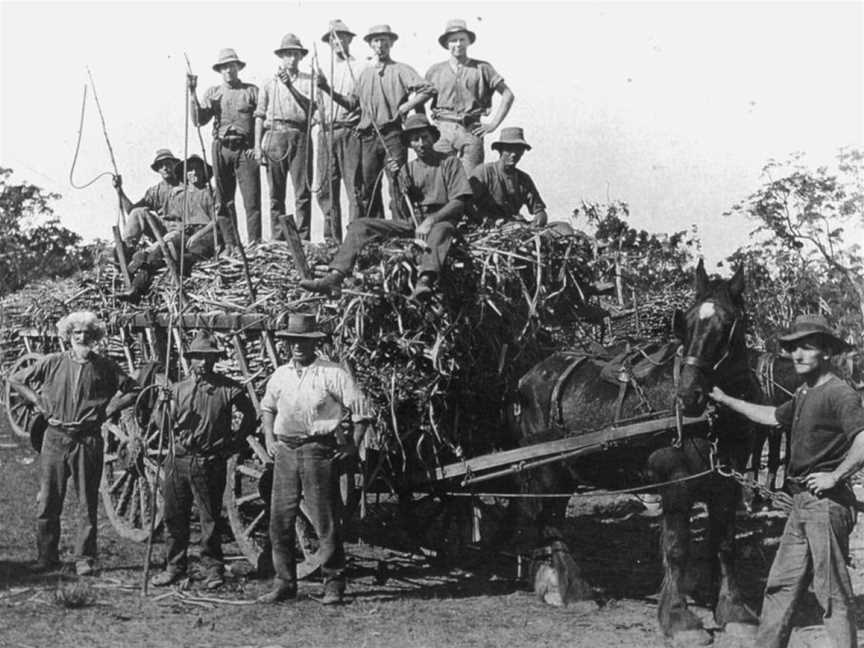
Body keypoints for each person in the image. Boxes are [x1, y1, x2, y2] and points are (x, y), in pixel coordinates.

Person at [709, 314, 864, 648]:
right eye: (793, 348)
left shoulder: (840, 393)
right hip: (801, 505)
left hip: (827, 505)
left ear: (826, 352)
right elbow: (770, 416)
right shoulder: (805, 393)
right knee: (780, 586)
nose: (797, 355)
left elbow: (863, 440)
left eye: (806, 348)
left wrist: (835, 475)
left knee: (832, 593)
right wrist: (725, 400)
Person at [8, 311, 139, 576]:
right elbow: (15, 380)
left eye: (87, 334)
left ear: (95, 338)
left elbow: (133, 390)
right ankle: (47, 557)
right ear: (68, 336)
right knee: (48, 500)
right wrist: (37, 401)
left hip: (88, 440)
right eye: (76, 333)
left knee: (87, 501)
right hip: (55, 437)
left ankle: (84, 558)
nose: (81, 338)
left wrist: (111, 407)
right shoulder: (53, 362)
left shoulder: (105, 366)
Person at [257, 313, 372, 605]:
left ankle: (333, 583)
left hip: (317, 451)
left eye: (304, 342)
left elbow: (362, 410)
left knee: (325, 519)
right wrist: (269, 438)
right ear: (286, 344)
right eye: (293, 341)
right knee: (280, 519)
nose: (297, 347)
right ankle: (284, 583)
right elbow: (267, 407)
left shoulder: (332, 373)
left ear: (315, 344)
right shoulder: (280, 375)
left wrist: (352, 446)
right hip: (285, 452)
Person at [300, 114, 472, 301]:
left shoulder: (449, 163)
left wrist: (431, 221)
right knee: (360, 225)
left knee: (440, 231)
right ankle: (335, 276)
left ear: (433, 137)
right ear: (410, 144)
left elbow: (459, 202)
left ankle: (425, 280)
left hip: (441, 222)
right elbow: (401, 211)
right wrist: (398, 184)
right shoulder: (407, 170)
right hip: (414, 223)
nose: (421, 143)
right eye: (415, 139)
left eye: (425, 137)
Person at [150, 330, 257, 589]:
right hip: (178, 460)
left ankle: (213, 569)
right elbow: (161, 425)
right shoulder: (177, 390)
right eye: (198, 357)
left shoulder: (229, 389)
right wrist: (162, 404)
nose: (203, 363)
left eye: (208, 358)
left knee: (210, 520)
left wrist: (234, 441)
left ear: (215, 360)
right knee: (174, 517)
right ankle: (174, 566)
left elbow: (250, 415)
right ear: (191, 359)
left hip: (209, 462)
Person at [350, 24, 434, 220]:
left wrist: (405, 108)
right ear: (371, 45)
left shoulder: (401, 70)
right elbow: (352, 103)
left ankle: (401, 228)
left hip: (392, 136)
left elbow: (428, 89)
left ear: (392, 43)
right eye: (376, 41)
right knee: (369, 187)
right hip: (368, 138)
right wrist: (326, 87)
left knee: (397, 182)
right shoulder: (364, 74)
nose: (380, 45)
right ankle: (376, 231)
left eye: (384, 41)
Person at [119, 155, 227, 303]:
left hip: (207, 235)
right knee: (159, 252)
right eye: (189, 170)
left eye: (197, 170)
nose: (194, 173)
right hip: (187, 234)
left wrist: (197, 235)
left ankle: (170, 269)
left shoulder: (211, 192)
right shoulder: (181, 196)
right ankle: (136, 286)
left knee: (186, 257)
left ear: (204, 173)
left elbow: (217, 220)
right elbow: (174, 220)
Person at [188, 48, 261, 245]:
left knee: (251, 200)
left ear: (238, 67)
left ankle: (254, 242)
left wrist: (256, 146)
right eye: (224, 67)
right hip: (221, 149)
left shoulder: (251, 91)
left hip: (245, 150)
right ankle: (231, 244)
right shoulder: (214, 93)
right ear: (220, 71)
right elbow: (198, 120)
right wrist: (192, 93)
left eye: (232, 66)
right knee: (224, 200)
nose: (228, 70)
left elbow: (263, 120)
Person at [424, 19, 514, 173]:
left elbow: (508, 94)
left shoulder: (482, 68)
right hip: (443, 130)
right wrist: (425, 125)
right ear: (446, 44)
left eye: (461, 39)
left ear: (468, 42)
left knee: (473, 180)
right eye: (453, 40)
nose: (458, 44)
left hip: (471, 129)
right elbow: (421, 98)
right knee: (439, 177)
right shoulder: (435, 71)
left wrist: (492, 125)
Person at [255, 34, 315, 241]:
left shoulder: (308, 81)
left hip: (300, 135)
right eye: (287, 54)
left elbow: (311, 109)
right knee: (276, 194)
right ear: (281, 57)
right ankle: (279, 237)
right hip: (275, 136)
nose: (291, 59)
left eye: (295, 54)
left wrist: (290, 86)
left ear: (300, 56)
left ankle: (303, 237)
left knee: (302, 192)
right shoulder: (269, 83)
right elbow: (260, 115)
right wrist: (257, 146)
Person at [314, 19, 366, 242]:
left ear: (349, 40)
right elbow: (316, 102)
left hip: (349, 131)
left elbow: (354, 104)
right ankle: (332, 240)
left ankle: (354, 239)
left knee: (354, 187)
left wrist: (326, 87)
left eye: (341, 37)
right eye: (332, 38)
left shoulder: (360, 67)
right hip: (326, 132)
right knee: (326, 189)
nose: (337, 42)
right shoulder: (322, 68)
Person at [470, 127, 548, 228]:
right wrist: (484, 220)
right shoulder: (484, 172)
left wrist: (537, 222)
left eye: (519, 149)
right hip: (487, 227)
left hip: (515, 227)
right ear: (500, 150)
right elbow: (467, 204)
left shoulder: (524, 179)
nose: (514, 154)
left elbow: (540, 211)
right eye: (509, 149)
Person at [112, 149, 181, 247]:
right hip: (162, 230)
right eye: (161, 166)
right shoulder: (155, 191)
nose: (165, 168)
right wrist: (119, 190)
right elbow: (132, 211)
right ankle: (128, 247)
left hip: (180, 232)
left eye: (168, 164)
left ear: (175, 165)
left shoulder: (185, 186)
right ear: (158, 170)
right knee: (138, 212)